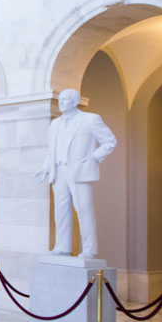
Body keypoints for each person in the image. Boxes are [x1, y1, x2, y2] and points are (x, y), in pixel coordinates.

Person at [34, 88, 117, 259]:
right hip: (59, 171)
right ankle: (62, 246)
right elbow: (52, 150)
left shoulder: (90, 119)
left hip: (79, 171)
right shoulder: (55, 124)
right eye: (60, 100)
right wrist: (45, 167)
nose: (61, 103)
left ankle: (89, 249)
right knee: (61, 211)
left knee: (84, 210)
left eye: (65, 100)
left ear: (74, 101)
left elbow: (109, 141)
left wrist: (94, 158)